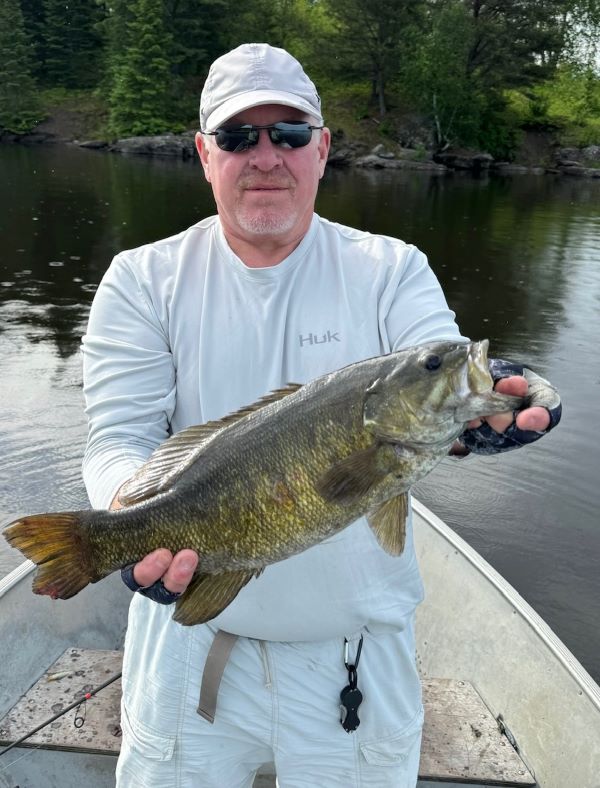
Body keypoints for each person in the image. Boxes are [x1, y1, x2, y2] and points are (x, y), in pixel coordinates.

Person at [82, 43, 561, 787]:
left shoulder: (391, 269)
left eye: (290, 134)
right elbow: (119, 436)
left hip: (356, 663)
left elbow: (435, 364)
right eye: (239, 136)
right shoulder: (143, 280)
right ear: (205, 155)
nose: (265, 155)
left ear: (323, 149)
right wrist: (123, 512)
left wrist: (483, 409)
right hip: (185, 651)